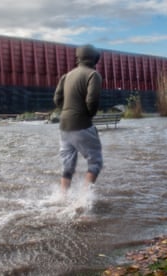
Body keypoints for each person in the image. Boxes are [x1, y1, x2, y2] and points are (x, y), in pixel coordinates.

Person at [53, 44, 103, 194]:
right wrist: (87, 115)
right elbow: (92, 101)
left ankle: (62, 198)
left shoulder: (66, 76)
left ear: (78, 58)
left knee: (68, 166)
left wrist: (68, 110)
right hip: (82, 124)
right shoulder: (93, 75)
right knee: (95, 162)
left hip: (64, 126)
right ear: (95, 59)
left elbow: (57, 99)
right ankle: (84, 199)